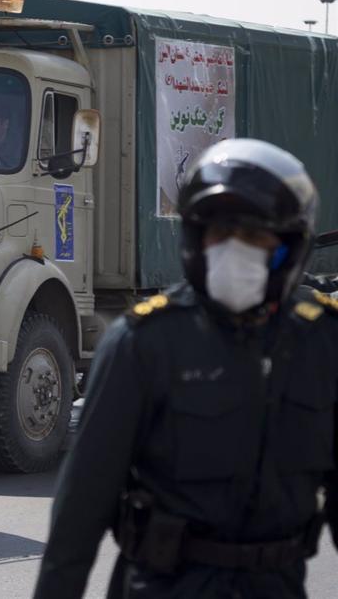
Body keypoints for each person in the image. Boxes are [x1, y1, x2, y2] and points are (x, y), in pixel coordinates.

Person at [33, 138, 338, 599]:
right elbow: (81, 509)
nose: (234, 250)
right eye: (219, 234)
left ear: (290, 247)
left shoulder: (322, 342)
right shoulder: (145, 343)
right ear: (196, 239)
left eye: (255, 237)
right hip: (166, 585)